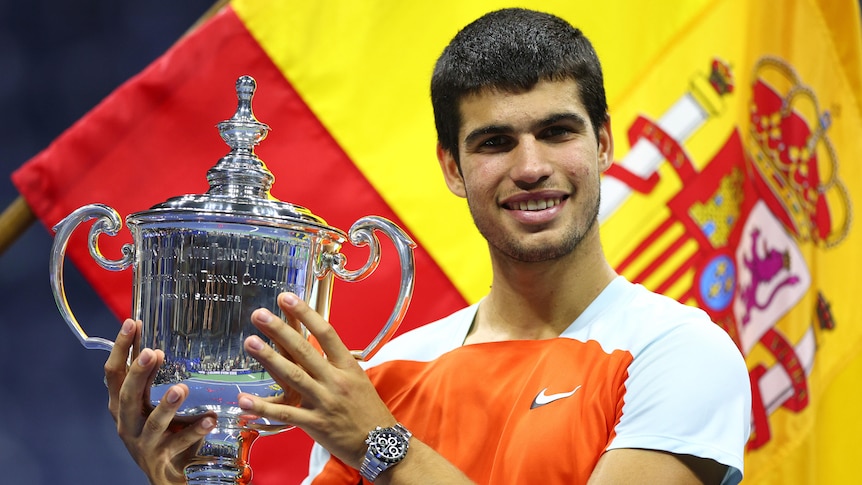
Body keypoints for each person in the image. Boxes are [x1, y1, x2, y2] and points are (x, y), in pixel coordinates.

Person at [105, 7, 751, 484]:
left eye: (557, 132)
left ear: (604, 143)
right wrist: (186, 474)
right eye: (494, 142)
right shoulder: (382, 375)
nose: (531, 166)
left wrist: (384, 445)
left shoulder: (682, 352)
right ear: (450, 166)